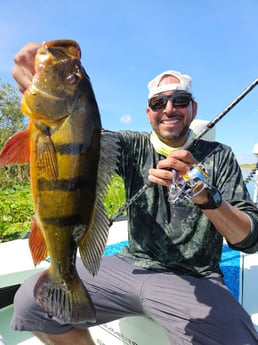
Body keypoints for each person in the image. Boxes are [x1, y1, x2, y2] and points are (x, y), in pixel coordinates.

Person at [10, 42, 258, 345]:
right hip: (130, 266)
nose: (169, 109)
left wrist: (204, 193)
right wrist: (45, 92)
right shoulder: (130, 145)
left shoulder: (219, 155)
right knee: (30, 303)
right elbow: (78, 133)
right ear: (149, 112)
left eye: (179, 100)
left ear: (193, 108)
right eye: (158, 103)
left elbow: (249, 238)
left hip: (192, 277)